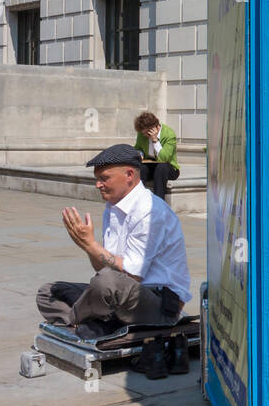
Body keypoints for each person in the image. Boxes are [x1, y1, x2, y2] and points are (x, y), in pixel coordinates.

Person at [36, 144, 193, 378]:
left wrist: (89, 244)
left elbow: (131, 275)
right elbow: (104, 267)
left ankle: (83, 322)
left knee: (106, 283)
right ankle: (97, 323)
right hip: (123, 294)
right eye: (97, 179)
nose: (98, 184)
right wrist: (89, 247)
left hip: (161, 303)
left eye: (104, 178)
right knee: (48, 292)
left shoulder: (151, 212)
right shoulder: (113, 208)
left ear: (129, 175)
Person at [134, 112, 180, 200]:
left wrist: (155, 140)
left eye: (146, 133)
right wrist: (140, 154)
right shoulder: (142, 134)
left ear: (155, 127)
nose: (144, 135)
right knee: (141, 168)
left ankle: (158, 203)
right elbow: (138, 147)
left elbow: (164, 158)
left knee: (161, 167)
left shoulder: (169, 134)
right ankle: (137, 201)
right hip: (151, 165)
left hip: (168, 167)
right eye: (142, 133)